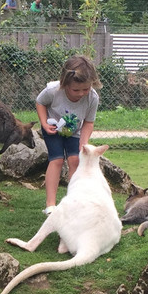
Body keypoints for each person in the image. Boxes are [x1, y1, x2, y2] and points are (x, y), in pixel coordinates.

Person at [35, 55, 101, 212]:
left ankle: (73, 203)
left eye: (85, 89)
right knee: (56, 160)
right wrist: (44, 123)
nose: (81, 93)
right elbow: (40, 102)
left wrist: (83, 143)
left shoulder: (92, 98)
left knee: (74, 161)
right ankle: (50, 205)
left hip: (75, 131)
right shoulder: (53, 91)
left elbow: (89, 122)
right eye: (76, 90)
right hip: (54, 129)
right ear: (65, 84)